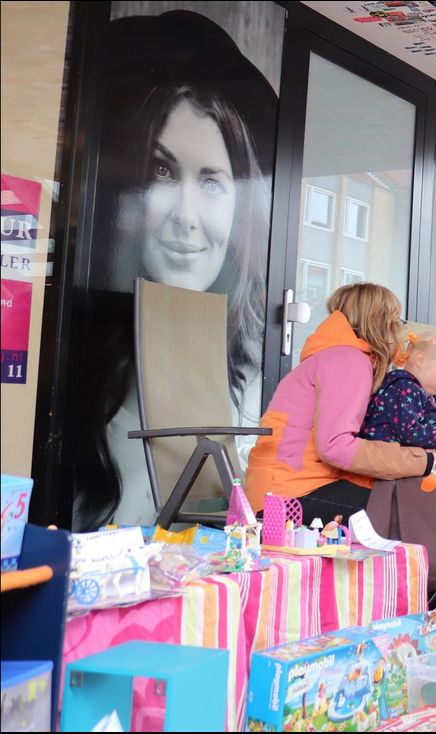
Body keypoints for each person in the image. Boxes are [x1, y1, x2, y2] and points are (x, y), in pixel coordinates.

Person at [73, 11, 276, 530]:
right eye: (162, 171)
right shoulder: (78, 373)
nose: (185, 217)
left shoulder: (257, 380)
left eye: (211, 182)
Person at [244, 283, 435, 521]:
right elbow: (335, 446)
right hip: (287, 498)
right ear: (381, 321)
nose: (399, 330)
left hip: (281, 488)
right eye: (397, 321)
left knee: (407, 495)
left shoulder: (335, 356)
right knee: (412, 507)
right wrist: (419, 460)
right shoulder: (348, 361)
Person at [359, 327, 436, 490]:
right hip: (386, 466)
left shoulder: (405, 386)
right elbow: (410, 433)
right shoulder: (406, 389)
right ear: (420, 360)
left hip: (389, 462)